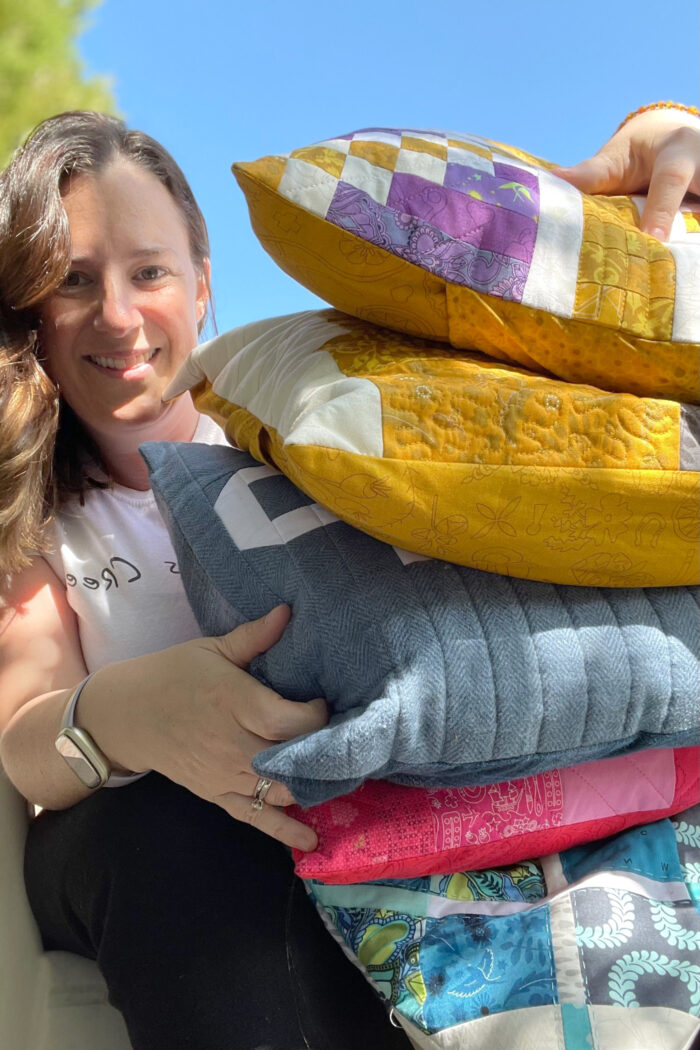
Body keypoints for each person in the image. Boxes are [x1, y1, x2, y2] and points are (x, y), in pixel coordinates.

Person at [0, 103, 697, 1050]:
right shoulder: (37, 521)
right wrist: (127, 716)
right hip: (171, 847)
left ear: (203, 287)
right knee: (172, 828)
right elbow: (23, 732)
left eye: (148, 271)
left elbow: (546, 353)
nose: (119, 314)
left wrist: (665, 132)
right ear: (32, 312)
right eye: (75, 281)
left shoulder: (315, 431)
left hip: (379, 806)